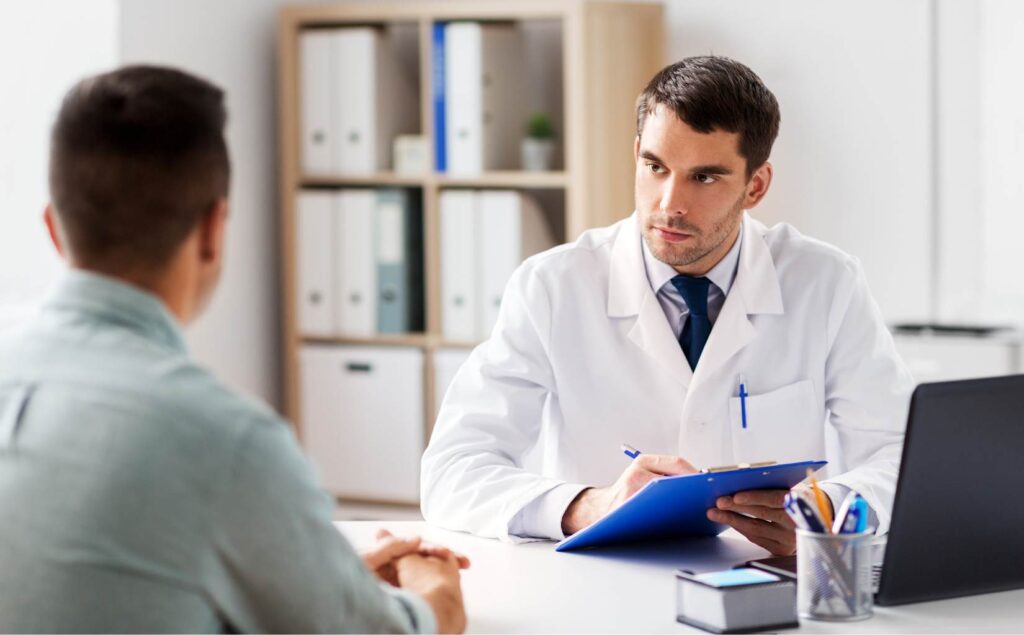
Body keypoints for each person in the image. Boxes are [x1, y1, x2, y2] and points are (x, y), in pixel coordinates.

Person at [0, 65, 467, 633]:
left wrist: (322, 578)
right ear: (213, 230)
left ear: (53, 228)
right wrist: (436, 594)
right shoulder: (224, 441)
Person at [421, 56, 913, 556]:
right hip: (603, 579)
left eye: (704, 178)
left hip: (763, 578)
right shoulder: (552, 286)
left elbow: (901, 453)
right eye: (655, 167)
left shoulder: (827, 283)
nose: (668, 204)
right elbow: (452, 470)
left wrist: (826, 513)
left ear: (756, 186)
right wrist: (589, 506)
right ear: (637, 153)